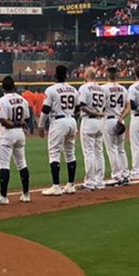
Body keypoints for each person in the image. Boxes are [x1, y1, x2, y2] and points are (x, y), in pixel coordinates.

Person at [0, 77, 31, 205]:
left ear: (3, 88)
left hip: (8, 132)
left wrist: (12, 124)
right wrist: (19, 123)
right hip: (20, 133)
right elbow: (27, 119)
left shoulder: (2, 100)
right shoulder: (22, 99)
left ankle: (3, 196)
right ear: (14, 87)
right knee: (22, 163)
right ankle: (26, 194)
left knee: (4, 164)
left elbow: (2, 119)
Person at [39, 65, 79, 196]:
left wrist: (40, 125)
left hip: (58, 121)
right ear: (66, 75)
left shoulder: (51, 89)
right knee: (70, 153)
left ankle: (56, 186)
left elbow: (45, 109)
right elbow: (78, 109)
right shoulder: (73, 89)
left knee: (54, 153)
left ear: (55, 75)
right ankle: (70, 185)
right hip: (71, 120)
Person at [77, 67, 108, 190]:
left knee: (89, 153)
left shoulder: (84, 88)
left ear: (87, 75)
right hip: (100, 122)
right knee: (99, 152)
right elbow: (104, 108)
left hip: (89, 121)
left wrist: (94, 113)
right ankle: (100, 181)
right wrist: (98, 113)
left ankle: (89, 182)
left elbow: (82, 106)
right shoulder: (101, 88)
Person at [102, 67, 131, 186]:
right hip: (120, 120)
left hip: (108, 120)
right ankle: (125, 175)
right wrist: (121, 118)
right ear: (117, 75)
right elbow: (128, 107)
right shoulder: (123, 89)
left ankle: (117, 176)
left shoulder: (103, 88)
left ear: (107, 75)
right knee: (121, 149)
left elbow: (101, 107)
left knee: (112, 149)